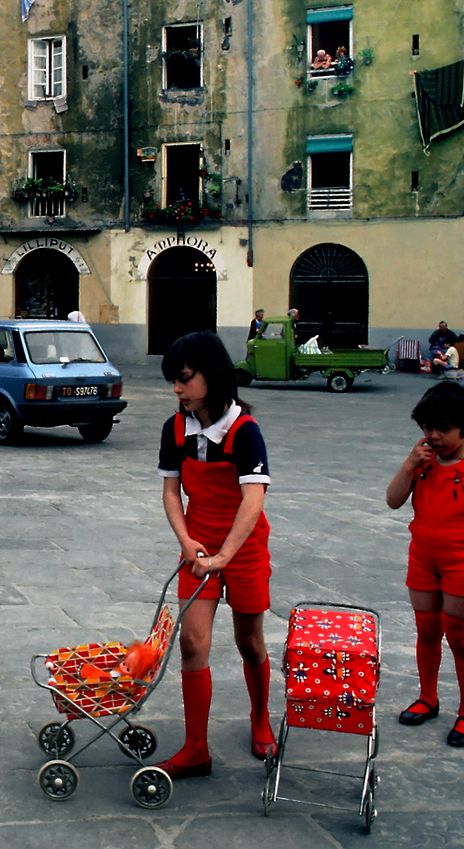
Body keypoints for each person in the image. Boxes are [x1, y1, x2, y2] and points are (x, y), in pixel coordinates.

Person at [155, 331, 277, 778]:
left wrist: (226, 555)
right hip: (199, 546)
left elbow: (253, 501)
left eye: (184, 379)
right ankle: (195, 748)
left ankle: (260, 720)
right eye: (174, 381)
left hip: (243, 550)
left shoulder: (245, 431)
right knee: (192, 642)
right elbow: (171, 491)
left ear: (213, 374)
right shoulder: (175, 428)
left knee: (250, 643)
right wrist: (187, 541)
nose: (177, 389)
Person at [385, 382, 464, 748]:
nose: (433, 436)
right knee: (426, 631)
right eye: (427, 428)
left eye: (443, 429)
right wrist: (409, 465)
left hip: (462, 564)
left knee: (461, 637)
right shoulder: (421, 462)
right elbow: (393, 501)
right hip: (422, 558)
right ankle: (428, 697)